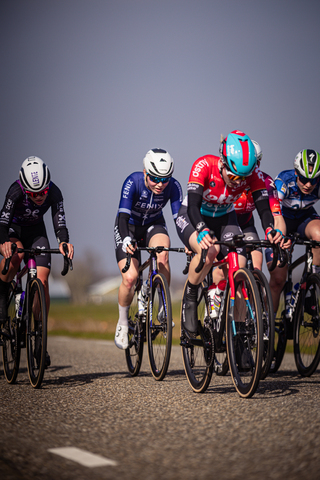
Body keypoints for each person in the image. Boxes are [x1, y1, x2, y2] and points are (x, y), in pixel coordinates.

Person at [175, 130, 282, 336]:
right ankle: (190, 297)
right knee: (210, 251)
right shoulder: (203, 165)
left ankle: (239, 336)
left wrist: (270, 229)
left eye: (243, 178)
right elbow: (193, 207)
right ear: (223, 163)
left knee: (239, 270)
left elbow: (263, 209)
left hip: (225, 218)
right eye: (233, 176)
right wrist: (201, 229)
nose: (237, 182)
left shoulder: (253, 175)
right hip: (194, 216)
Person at [0, 156, 74, 364]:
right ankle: (2, 294)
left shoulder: (54, 192)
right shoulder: (14, 192)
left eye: (43, 191)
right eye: (34, 193)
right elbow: (2, 223)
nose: (40, 196)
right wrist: (5, 243)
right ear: (24, 188)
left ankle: (40, 334)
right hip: (14, 230)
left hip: (36, 232)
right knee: (18, 254)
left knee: (42, 280)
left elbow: (60, 222)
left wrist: (64, 242)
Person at [114, 148, 183, 349]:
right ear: (145, 172)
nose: (160, 184)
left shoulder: (174, 186)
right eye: (154, 178)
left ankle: (162, 305)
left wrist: (190, 242)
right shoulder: (132, 182)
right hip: (130, 227)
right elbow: (122, 217)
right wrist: (127, 238)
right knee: (130, 278)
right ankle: (123, 322)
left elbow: (179, 221)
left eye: (165, 179)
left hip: (154, 224)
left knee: (163, 255)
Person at [268, 149, 320, 316]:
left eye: (313, 181)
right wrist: (280, 235)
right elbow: (273, 207)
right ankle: (267, 322)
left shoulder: (316, 184)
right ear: (296, 173)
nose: (308, 185)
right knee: (277, 280)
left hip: (305, 219)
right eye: (304, 179)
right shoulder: (285, 180)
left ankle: (310, 284)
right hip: (282, 219)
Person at [234, 140, 288, 270]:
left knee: (257, 261)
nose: (251, 168)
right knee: (227, 269)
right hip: (225, 223)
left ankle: (256, 286)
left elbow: (277, 216)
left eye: (256, 163)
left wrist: (279, 235)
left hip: (246, 223)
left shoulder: (266, 181)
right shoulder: (231, 181)